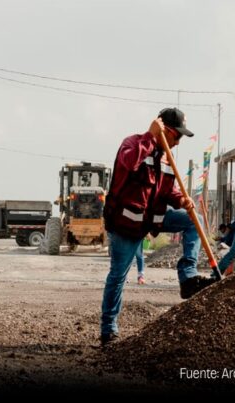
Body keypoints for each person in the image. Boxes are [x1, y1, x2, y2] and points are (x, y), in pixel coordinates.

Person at [100, 107, 204, 346]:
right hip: (126, 223)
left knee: (192, 219)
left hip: (152, 217)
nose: (177, 143)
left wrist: (180, 200)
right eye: (176, 136)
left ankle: (187, 278)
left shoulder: (168, 158)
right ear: (165, 131)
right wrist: (150, 136)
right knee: (118, 276)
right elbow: (128, 161)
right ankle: (108, 330)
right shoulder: (133, 143)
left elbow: (168, 191)